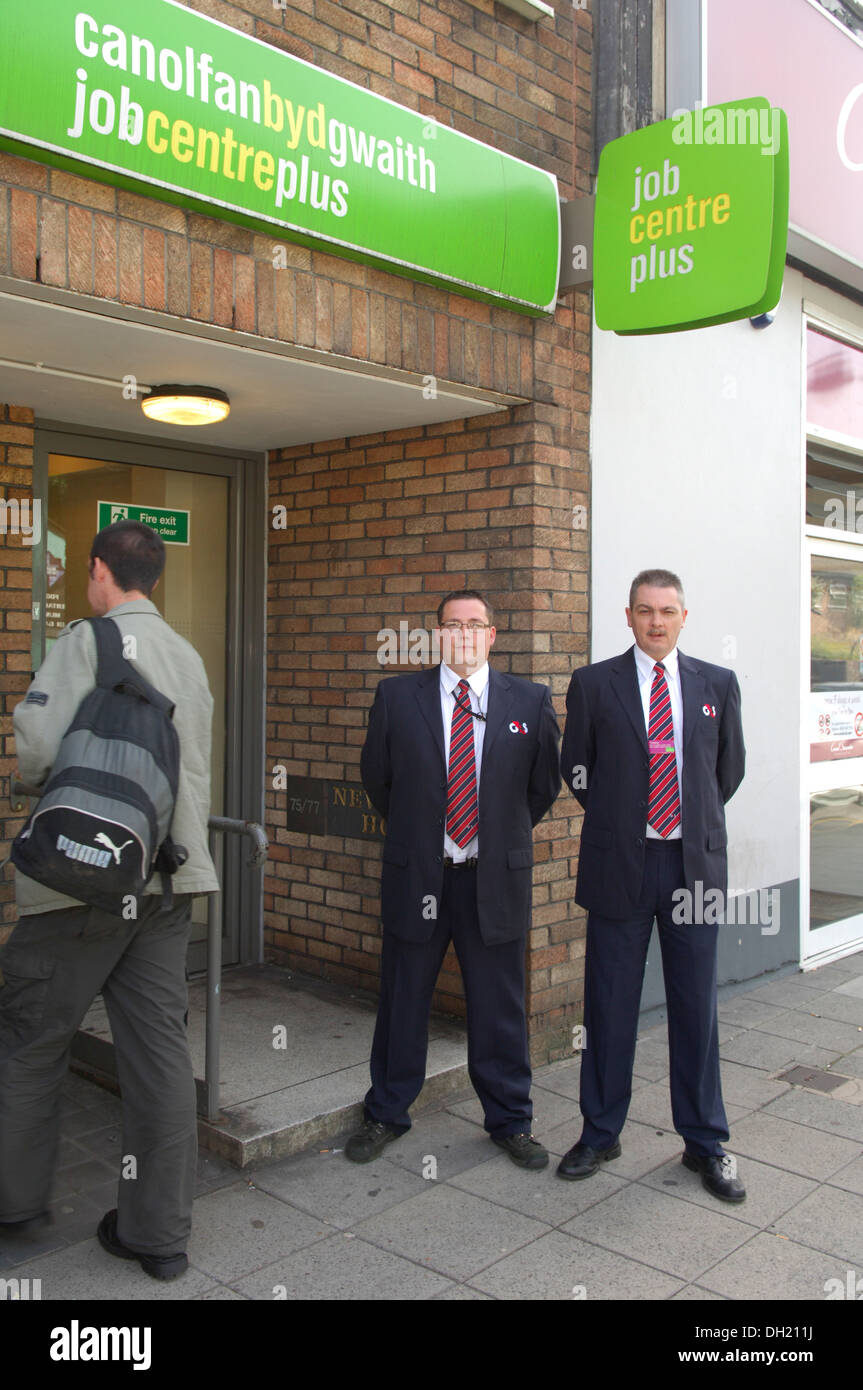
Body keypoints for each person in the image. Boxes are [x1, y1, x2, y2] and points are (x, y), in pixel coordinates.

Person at [0, 520, 218, 1277]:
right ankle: (157, 1236)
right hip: (162, 885)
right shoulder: (188, 658)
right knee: (159, 1058)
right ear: (152, 578)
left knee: (30, 1038)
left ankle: (14, 1207)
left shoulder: (87, 641)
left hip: (80, 882)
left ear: (98, 571)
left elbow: (34, 749)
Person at [347, 590, 561, 1169]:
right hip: (420, 875)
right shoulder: (397, 697)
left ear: (493, 634)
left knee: (499, 1005)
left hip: (492, 879)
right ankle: (386, 1111)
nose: (464, 632)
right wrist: (426, 832)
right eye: (451, 624)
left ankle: (511, 1121)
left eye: (476, 623)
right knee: (402, 998)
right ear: (437, 634)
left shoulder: (531, 700)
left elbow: (539, 790)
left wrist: (492, 835)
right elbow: (379, 781)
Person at [557, 568, 746, 1201]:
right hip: (621, 868)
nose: (656, 622)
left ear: (684, 617)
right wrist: (622, 821)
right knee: (609, 1006)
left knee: (697, 1008)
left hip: (693, 868)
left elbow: (727, 772)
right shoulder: (592, 684)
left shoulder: (716, 683)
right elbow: (576, 768)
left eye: (667, 611)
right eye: (645, 610)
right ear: (629, 615)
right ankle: (600, 1132)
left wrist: (683, 824)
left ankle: (705, 1142)